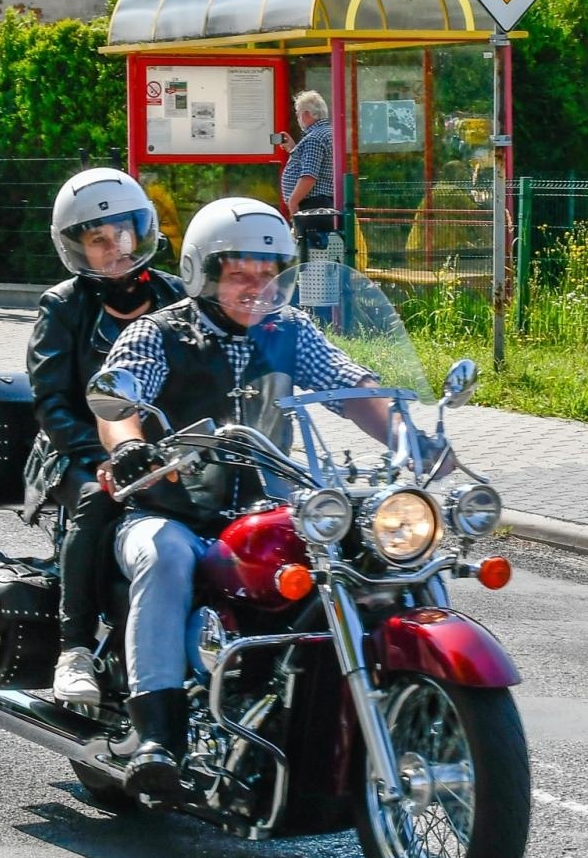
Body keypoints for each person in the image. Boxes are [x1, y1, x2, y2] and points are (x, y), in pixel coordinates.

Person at [97, 196, 394, 799]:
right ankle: (159, 733)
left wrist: (416, 438)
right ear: (203, 275)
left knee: (362, 547)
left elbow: (351, 385)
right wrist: (129, 442)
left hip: (267, 508)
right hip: (171, 509)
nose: (257, 288)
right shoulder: (160, 332)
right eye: (239, 275)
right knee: (166, 557)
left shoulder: (290, 331)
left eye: (269, 274)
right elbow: (119, 400)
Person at [26, 168, 185, 706]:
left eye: (124, 231)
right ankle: (73, 650)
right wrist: (102, 455)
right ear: (76, 248)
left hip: (165, 450)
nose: (116, 247)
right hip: (76, 452)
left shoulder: (176, 295)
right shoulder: (63, 306)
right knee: (100, 501)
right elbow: (51, 403)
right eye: (98, 238)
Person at [278, 90, 334, 213]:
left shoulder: (313, 138)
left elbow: (309, 176)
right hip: (324, 203)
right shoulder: (329, 133)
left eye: (298, 114)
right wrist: (294, 149)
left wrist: (293, 202)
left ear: (306, 114)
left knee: (307, 233)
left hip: (312, 205)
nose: (298, 118)